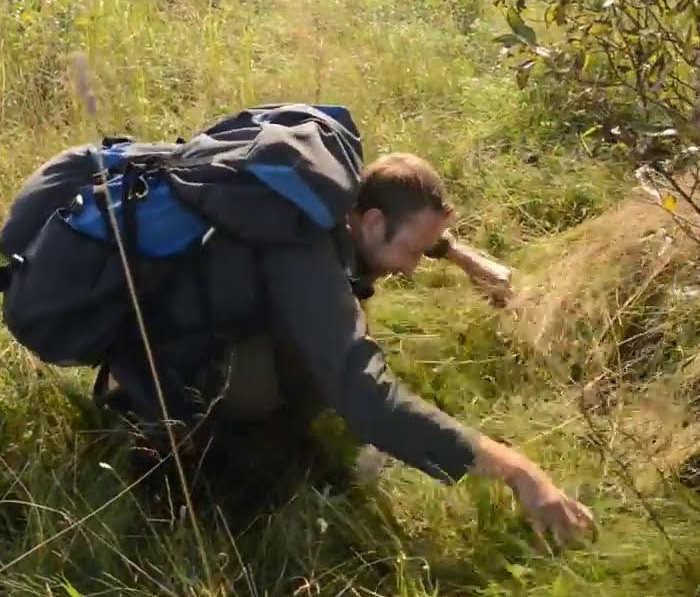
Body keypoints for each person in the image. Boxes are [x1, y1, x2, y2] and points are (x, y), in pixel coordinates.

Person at [97, 149, 595, 545]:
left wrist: (461, 255)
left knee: (321, 359)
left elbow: (404, 214)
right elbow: (375, 406)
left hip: (172, 347)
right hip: (161, 386)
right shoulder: (308, 268)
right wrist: (522, 473)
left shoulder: (324, 203)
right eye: (415, 252)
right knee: (325, 391)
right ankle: (207, 463)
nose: (412, 269)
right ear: (372, 222)